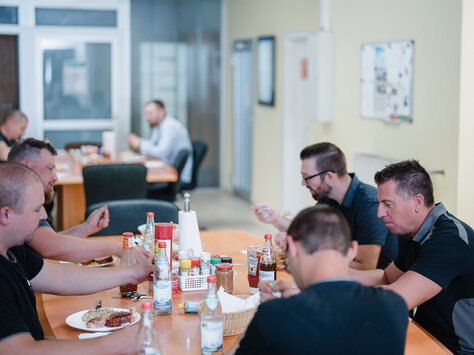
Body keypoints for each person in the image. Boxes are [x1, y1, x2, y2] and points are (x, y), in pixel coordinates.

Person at [0, 163, 153, 353]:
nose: (44, 216)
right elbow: (20, 351)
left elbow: (61, 277)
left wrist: (133, 273)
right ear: (6, 214)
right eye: (37, 209)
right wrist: (116, 344)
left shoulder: (13, 250)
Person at [231, 206, 407, 355]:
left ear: (292, 247)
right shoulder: (395, 306)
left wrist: (255, 325)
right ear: (352, 250)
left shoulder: (273, 316)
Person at [347, 160, 474, 355]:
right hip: (423, 334)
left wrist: (324, 294)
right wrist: (330, 274)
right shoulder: (413, 231)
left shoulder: (449, 240)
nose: (380, 213)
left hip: (453, 349)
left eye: (387, 204)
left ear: (417, 201)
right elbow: (387, 277)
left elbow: (395, 299)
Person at [252, 142, 397, 270]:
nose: (303, 183)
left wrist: (307, 253)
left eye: (306, 177)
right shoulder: (328, 198)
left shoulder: (369, 205)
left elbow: (365, 267)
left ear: (329, 176)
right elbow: (304, 231)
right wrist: (275, 220)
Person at [7, 138, 149, 263]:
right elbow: (51, 247)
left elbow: (50, 240)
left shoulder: (23, 197)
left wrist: (87, 227)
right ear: (26, 166)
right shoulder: (14, 199)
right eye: (50, 168)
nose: (56, 177)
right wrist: (117, 247)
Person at [128, 99, 193, 184]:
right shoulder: (159, 126)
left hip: (175, 175)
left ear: (161, 112)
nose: (147, 117)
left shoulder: (169, 126)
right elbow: (153, 144)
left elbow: (161, 152)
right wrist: (138, 141)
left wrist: (140, 144)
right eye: (146, 114)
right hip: (167, 169)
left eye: (150, 113)